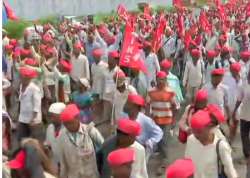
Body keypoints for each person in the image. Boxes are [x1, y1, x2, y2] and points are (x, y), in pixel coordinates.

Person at [185, 110, 238, 178]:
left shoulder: (221, 146)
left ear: (209, 127)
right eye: (193, 131)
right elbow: (187, 163)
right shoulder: (191, 140)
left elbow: (230, 171)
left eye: (199, 131)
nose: (196, 135)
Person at [58, 104, 104, 178]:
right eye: (65, 124)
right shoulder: (62, 136)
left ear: (78, 118)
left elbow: (105, 145)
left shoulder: (90, 130)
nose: (68, 126)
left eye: (70, 123)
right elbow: (63, 161)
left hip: (91, 175)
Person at [147, 71, 179, 171]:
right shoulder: (150, 92)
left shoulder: (170, 92)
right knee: (158, 141)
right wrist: (148, 118)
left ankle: (164, 163)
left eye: (163, 79)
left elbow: (176, 107)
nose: (161, 81)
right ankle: (161, 159)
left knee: (164, 141)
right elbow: (147, 105)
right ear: (156, 80)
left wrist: (174, 121)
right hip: (155, 121)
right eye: (159, 79)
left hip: (167, 121)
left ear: (166, 80)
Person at [123, 94, 163, 162]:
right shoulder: (123, 117)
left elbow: (159, 132)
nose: (125, 104)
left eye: (128, 103)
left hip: (141, 151)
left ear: (135, 106)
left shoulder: (144, 120)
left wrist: (149, 143)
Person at [17, 67, 44, 143]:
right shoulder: (21, 86)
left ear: (27, 78)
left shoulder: (34, 88)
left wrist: (33, 119)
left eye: (21, 77)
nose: (20, 79)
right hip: (23, 118)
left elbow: (37, 105)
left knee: (34, 141)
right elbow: (21, 101)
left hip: (33, 120)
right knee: (22, 139)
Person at [233, 70, 250, 168]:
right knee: (244, 136)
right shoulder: (243, 85)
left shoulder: (244, 85)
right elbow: (239, 99)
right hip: (244, 115)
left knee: (245, 136)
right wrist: (235, 110)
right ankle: (247, 155)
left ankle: (248, 156)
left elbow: (239, 100)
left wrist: (235, 110)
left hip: (246, 115)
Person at [45, 102, 66, 172]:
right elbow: (48, 145)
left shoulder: (67, 129)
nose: (51, 119)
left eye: (53, 116)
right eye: (50, 116)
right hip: (56, 163)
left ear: (62, 116)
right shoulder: (50, 128)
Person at [102, 50, 120, 122]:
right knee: (105, 118)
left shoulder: (119, 72)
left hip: (114, 99)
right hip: (105, 97)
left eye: (116, 59)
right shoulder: (104, 70)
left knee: (114, 120)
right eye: (112, 58)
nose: (113, 60)